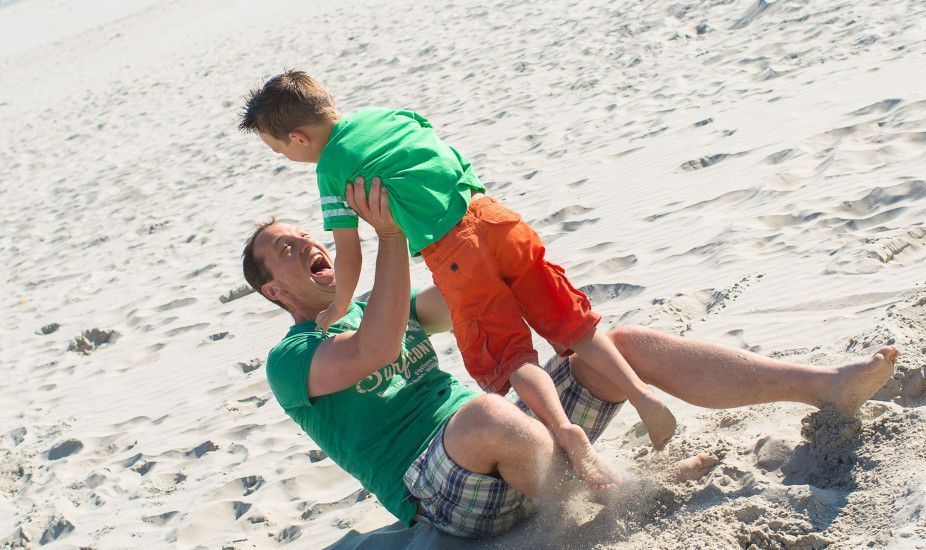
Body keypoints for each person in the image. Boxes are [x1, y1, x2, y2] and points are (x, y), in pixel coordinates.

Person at [241, 182, 900, 539]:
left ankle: (826, 387)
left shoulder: (382, 310)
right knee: (483, 417)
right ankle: (613, 499)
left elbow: (470, 292)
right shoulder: (290, 360)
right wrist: (386, 238)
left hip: (517, 442)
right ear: (273, 291)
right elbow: (374, 349)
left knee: (624, 349)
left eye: (304, 234)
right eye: (286, 250)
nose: (304, 243)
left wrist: (467, 225)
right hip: (438, 491)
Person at [238, 70, 676, 489]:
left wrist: (341, 303)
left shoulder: (331, 169)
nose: (286, 158)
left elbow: (348, 255)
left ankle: (565, 432)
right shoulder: (390, 115)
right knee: (574, 322)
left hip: (453, 250)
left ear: (298, 138)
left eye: (281, 152)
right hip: (494, 214)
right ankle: (641, 395)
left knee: (511, 355)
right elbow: (441, 150)